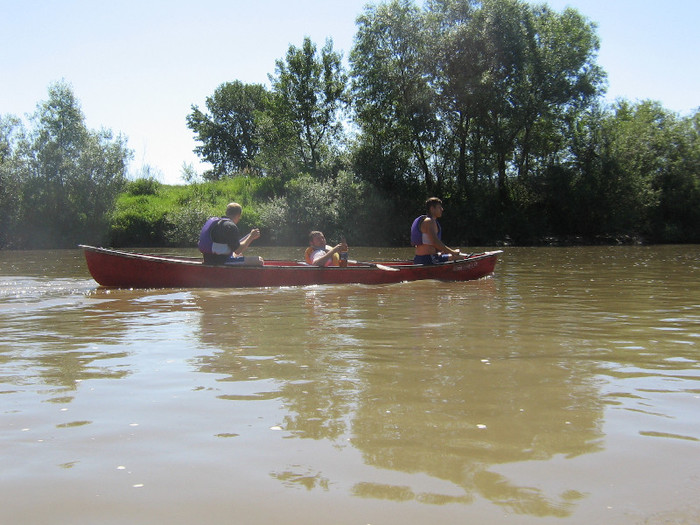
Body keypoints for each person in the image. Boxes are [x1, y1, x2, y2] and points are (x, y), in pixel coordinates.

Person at [410, 197, 463, 265]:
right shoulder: (429, 221)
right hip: (427, 259)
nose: (442, 209)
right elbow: (435, 242)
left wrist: (441, 252)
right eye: (439, 207)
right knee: (460, 257)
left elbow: (431, 243)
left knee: (461, 255)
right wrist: (453, 252)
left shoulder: (429, 221)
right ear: (432, 208)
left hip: (423, 258)